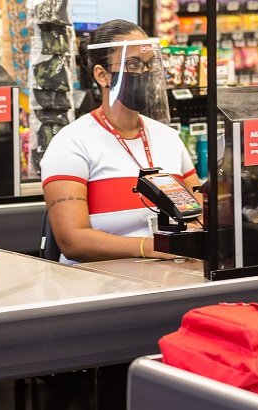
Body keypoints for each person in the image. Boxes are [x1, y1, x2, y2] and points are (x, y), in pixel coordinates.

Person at [41, 19, 200, 264]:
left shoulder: (168, 138)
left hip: (172, 277)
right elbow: (72, 241)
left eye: (150, 65)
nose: (145, 74)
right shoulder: (71, 143)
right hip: (99, 287)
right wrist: (151, 247)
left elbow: (199, 212)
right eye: (134, 65)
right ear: (102, 75)